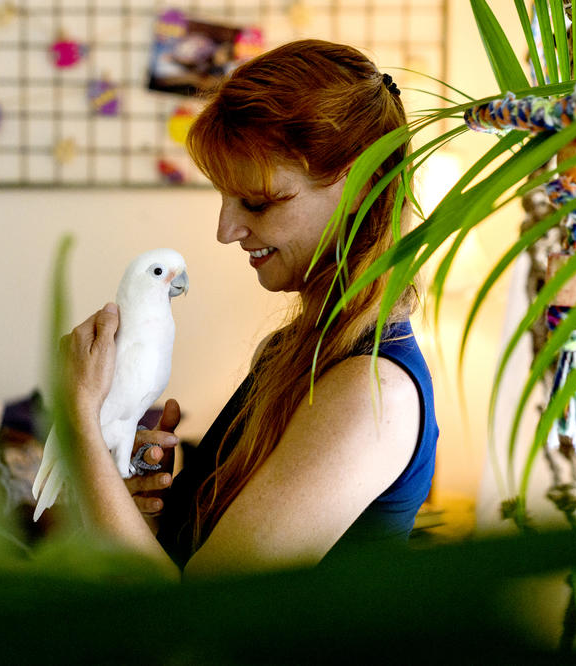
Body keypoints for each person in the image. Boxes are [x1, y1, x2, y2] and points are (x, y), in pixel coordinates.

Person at [59, 39, 438, 580]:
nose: (225, 231)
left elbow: (203, 620)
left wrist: (79, 421)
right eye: (224, 198)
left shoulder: (372, 393)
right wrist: (145, 508)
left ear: (359, 185)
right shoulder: (287, 353)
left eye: (256, 202)